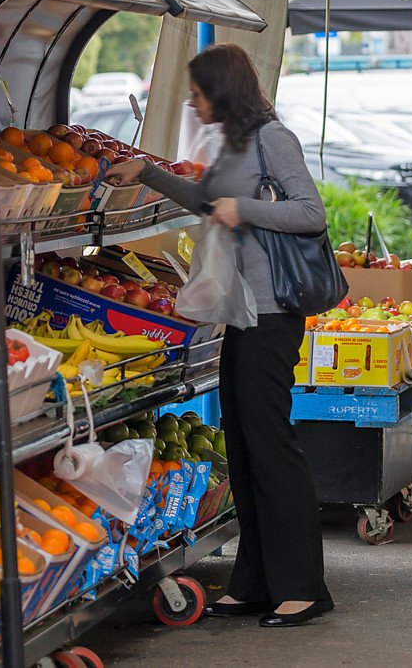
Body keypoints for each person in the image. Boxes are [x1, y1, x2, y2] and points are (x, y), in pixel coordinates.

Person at [107, 43, 333, 628]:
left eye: (199, 91)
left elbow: (312, 213)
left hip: (273, 313)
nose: (191, 101)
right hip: (243, 316)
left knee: (271, 445)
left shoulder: (272, 140)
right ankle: (257, 581)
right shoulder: (232, 145)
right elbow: (210, 202)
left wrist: (247, 209)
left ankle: (304, 587)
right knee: (245, 442)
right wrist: (149, 174)